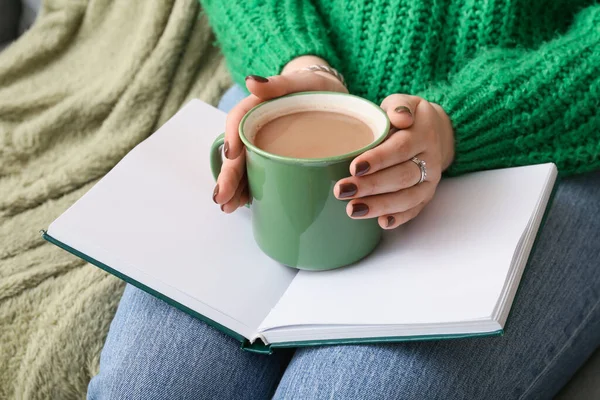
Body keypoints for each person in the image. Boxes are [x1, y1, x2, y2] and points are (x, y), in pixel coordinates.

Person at [88, 1, 600, 398]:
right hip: (293, 99)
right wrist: (300, 65)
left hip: (538, 134)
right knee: (145, 388)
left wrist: (460, 125)